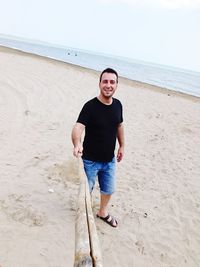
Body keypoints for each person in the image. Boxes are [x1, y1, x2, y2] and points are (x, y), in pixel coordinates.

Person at [71, 68, 124, 227]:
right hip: (90, 161)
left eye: (112, 82)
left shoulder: (118, 105)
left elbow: (119, 125)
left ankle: (102, 212)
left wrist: (122, 146)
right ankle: (84, 215)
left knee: (108, 190)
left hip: (109, 160)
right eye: (105, 81)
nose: (108, 85)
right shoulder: (90, 106)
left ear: (116, 85)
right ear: (100, 84)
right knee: (87, 192)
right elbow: (78, 128)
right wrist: (77, 143)